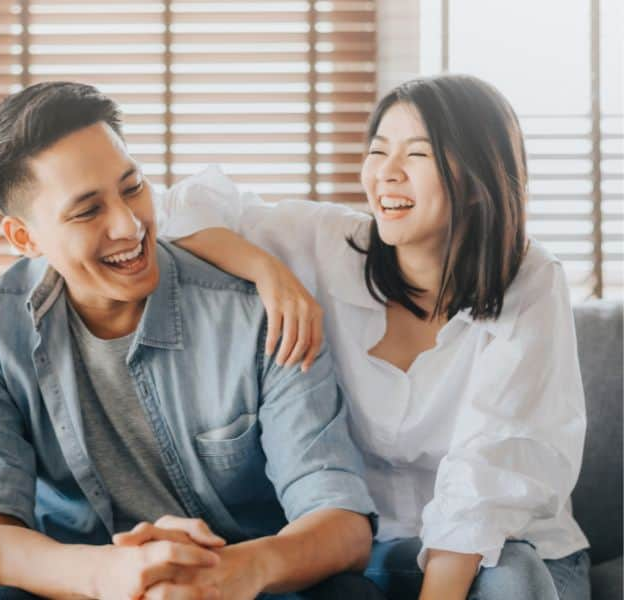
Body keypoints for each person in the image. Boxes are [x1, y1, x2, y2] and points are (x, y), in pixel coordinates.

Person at [0, 81, 383, 600]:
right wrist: (113, 575)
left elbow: (342, 523)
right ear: (25, 237)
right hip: (86, 585)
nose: (129, 227)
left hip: (248, 583)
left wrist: (233, 574)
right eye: (87, 211)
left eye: (132, 188)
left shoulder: (256, 312)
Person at [159, 74, 591, 600]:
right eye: (378, 150)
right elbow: (179, 207)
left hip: (505, 550)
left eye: (417, 155)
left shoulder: (531, 278)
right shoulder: (327, 243)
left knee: (512, 576)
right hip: (380, 549)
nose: (386, 173)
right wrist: (269, 274)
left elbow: (489, 470)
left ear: (478, 181)